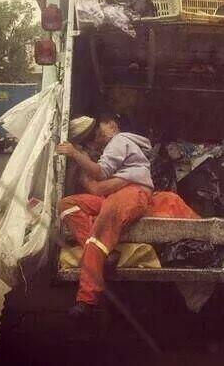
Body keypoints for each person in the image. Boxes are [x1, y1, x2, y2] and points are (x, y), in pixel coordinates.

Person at [56, 113, 154, 319]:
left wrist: (74, 154)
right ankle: (104, 255)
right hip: (118, 194)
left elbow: (100, 173)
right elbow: (100, 186)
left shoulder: (120, 140)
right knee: (67, 205)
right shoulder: (116, 146)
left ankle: (86, 301)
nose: (96, 138)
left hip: (132, 194)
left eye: (98, 132)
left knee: (99, 232)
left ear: (112, 126)